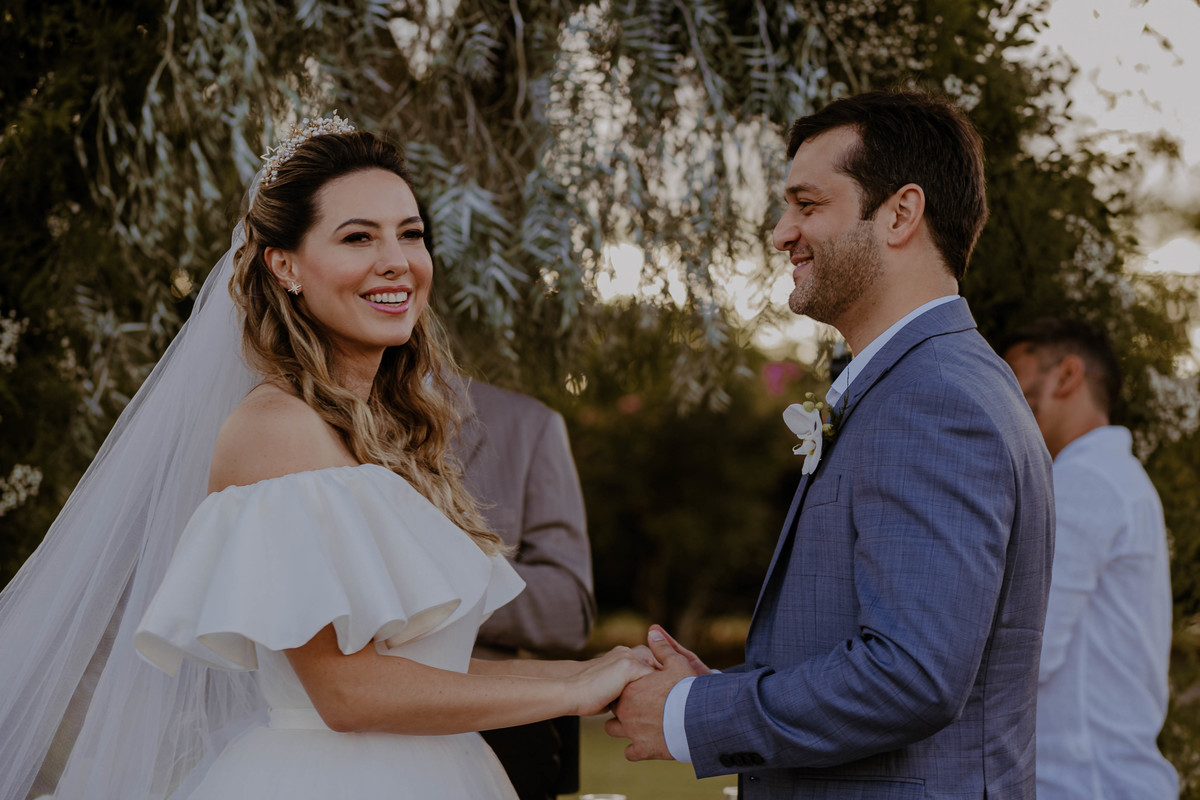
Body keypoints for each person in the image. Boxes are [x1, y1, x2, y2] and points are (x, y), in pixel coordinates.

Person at [0, 117, 652, 800]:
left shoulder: (384, 431)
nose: (397, 259)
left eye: (410, 233)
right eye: (357, 237)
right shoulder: (276, 429)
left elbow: (427, 669)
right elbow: (348, 692)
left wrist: (594, 671)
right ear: (285, 266)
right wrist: (571, 692)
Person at [605, 90, 1055, 799]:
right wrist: (729, 687)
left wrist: (695, 715)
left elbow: (910, 675)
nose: (782, 233)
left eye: (807, 206)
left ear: (901, 213)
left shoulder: (933, 399)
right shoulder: (926, 382)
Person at [1003, 319, 1178, 799]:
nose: (1004, 401)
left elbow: (1026, 651)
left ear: (1067, 375)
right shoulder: (1112, 476)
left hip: (1086, 783)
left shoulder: (1085, 481)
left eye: (1015, 379)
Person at [456, 378, 596, 799]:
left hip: (490, 744)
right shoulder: (288, 418)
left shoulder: (526, 424)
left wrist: (441, 585)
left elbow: (569, 612)